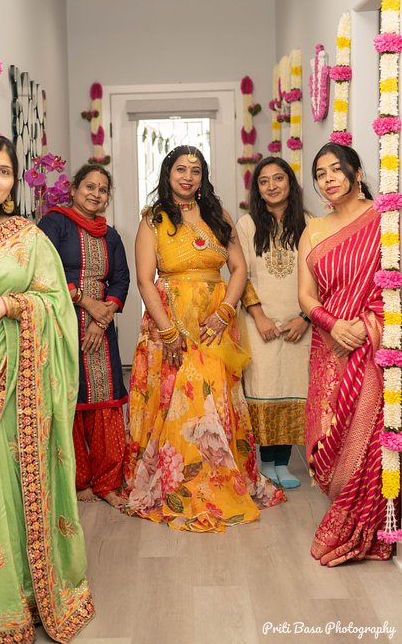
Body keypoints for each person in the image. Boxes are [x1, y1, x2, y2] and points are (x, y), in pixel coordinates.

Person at [0, 135, 94, 642]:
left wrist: (7, 305)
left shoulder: (26, 237)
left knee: (9, 477)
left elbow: (56, 304)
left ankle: (22, 595)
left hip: (16, 378)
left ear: (12, 185)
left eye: (4, 171)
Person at [124, 145, 284, 532]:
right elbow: (145, 279)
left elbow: (238, 268)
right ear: (168, 173)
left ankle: (220, 478)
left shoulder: (217, 215)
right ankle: (178, 484)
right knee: (175, 397)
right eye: (180, 169)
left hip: (215, 322)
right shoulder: (154, 219)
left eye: (195, 171)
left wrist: (226, 310)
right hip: (171, 321)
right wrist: (167, 329)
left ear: (202, 177)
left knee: (213, 396)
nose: (188, 176)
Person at [298, 143, 392, 565]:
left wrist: (366, 325)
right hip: (328, 343)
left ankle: (363, 524)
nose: (329, 179)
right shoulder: (314, 230)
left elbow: (393, 281)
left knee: (366, 435)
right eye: (321, 174)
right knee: (326, 437)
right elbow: (305, 295)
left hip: (372, 345)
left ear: (357, 173)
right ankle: (343, 501)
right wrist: (334, 324)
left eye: (337, 170)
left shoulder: (384, 219)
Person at [38, 164, 130, 508]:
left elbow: (121, 279)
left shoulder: (111, 235)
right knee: (69, 398)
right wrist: (85, 301)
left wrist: (101, 318)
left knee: (106, 400)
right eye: (89, 186)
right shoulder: (54, 224)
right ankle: (78, 480)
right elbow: (43, 269)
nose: (96, 194)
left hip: (101, 330)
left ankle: (108, 481)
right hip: (61, 322)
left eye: (103, 189)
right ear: (74, 189)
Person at [236, 157, 311, 489]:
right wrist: (259, 316)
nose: (272, 186)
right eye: (264, 181)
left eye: (278, 178)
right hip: (259, 325)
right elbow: (241, 275)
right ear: (257, 189)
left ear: (290, 183)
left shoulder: (310, 224)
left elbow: (320, 276)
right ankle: (266, 464)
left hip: (299, 325)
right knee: (264, 390)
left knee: (292, 389)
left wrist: (305, 318)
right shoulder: (247, 225)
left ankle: (283, 464)